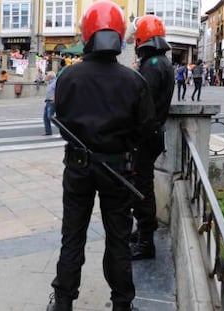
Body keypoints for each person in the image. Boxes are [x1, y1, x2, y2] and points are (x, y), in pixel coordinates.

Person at [46, 1, 156, 311]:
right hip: (117, 169)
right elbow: (144, 129)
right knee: (118, 239)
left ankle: (64, 302)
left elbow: (62, 117)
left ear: (87, 34)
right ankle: (122, 303)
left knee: (73, 236)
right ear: (119, 35)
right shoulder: (134, 81)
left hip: (78, 168)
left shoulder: (69, 76)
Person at [130, 15, 175, 261]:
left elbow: (139, 101)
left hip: (145, 137)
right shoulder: (161, 62)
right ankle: (144, 231)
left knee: (141, 188)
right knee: (142, 185)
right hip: (153, 134)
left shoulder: (152, 65)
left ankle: (146, 242)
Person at [42, 71, 57, 136]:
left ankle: (64, 129)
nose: (46, 76)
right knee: (46, 117)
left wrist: (54, 99)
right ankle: (48, 131)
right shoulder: (50, 83)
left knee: (50, 117)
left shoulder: (55, 82)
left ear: (50, 76)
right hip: (47, 101)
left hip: (52, 102)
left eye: (47, 75)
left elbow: (58, 91)